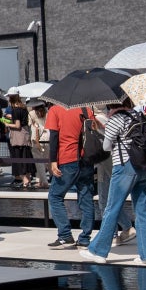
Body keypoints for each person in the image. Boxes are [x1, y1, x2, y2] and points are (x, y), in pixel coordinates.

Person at [85, 101, 146, 265]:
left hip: (124, 166)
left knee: (112, 208)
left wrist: (99, 130)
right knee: (142, 209)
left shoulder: (116, 118)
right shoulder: (136, 115)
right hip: (142, 166)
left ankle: (98, 251)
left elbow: (106, 147)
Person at [43, 98, 97, 249]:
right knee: (86, 198)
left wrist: (53, 161)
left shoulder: (55, 109)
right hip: (86, 159)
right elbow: (94, 131)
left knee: (54, 196)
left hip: (67, 158)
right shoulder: (86, 108)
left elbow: (53, 137)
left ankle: (65, 235)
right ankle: (85, 238)